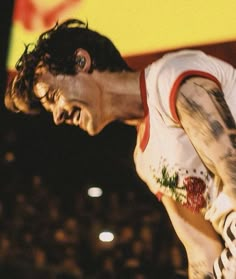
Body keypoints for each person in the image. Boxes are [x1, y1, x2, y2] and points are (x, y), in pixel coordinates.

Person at [5, 18, 236, 278]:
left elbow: (231, 166)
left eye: (53, 96)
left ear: (81, 61)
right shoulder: (145, 160)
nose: (57, 117)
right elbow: (201, 252)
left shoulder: (169, 78)